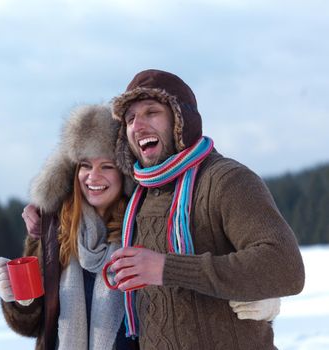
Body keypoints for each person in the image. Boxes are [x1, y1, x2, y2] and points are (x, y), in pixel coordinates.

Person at [0, 104, 279, 350]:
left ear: (125, 173)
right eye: (85, 165)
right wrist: (18, 300)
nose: (94, 176)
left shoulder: (145, 226)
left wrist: (259, 296)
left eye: (107, 166)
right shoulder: (55, 232)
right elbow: (32, 326)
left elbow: (189, 290)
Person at [108, 69, 305, 349]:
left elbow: (285, 266)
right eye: (129, 119)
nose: (137, 126)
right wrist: (42, 213)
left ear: (180, 120)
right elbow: (84, 193)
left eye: (151, 112)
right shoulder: (137, 197)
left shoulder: (226, 179)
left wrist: (167, 268)